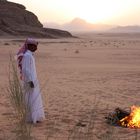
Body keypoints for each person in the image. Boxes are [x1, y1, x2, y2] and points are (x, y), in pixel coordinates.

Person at [16, 38, 45, 123]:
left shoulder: (29, 55)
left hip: (32, 79)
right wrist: (30, 81)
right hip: (30, 81)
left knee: (33, 97)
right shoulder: (27, 56)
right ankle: (31, 118)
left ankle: (34, 117)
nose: (36, 48)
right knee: (31, 97)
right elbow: (25, 69)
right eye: (35, 46)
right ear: (29, 46)